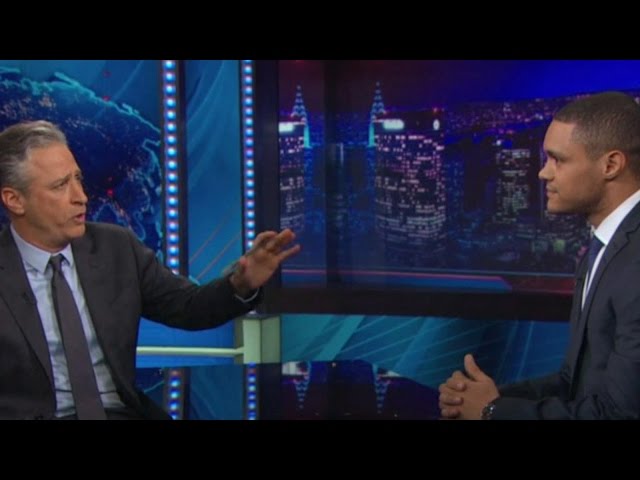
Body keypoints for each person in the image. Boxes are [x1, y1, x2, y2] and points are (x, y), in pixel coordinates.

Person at [0, 120, 300, 420]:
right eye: (60, 185)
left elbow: (188, 307)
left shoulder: (116, 248)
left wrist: (241, 283)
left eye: (77, 179)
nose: (80, 196)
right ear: (14, 200)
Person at [439, 91, 640, 420]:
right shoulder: (604, 247)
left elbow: (621, 414)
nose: (543, 173)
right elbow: (574, 384)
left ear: (610, 165)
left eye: (557, 160)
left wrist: (493, 410)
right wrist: (483, 398)